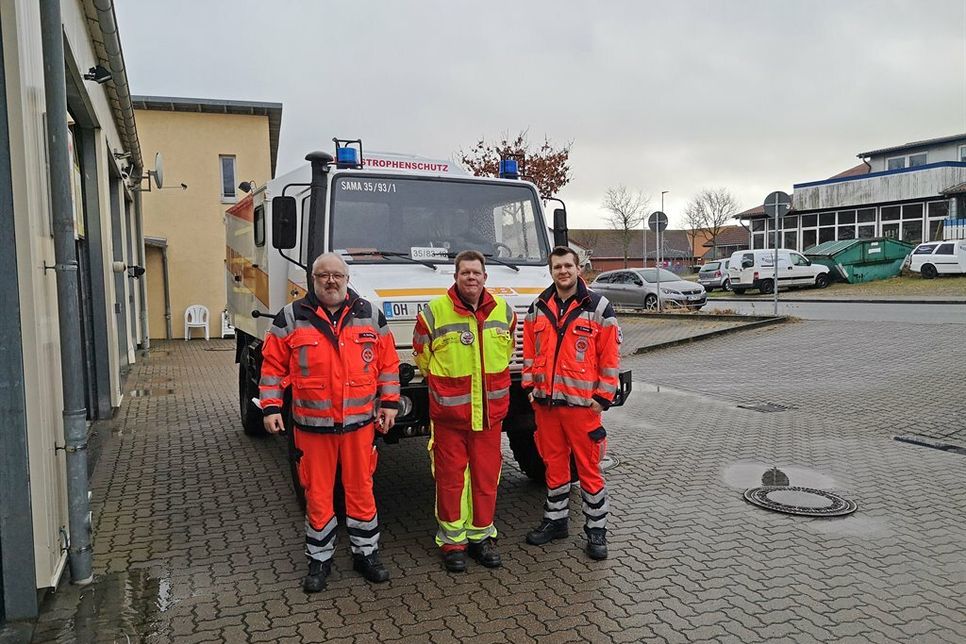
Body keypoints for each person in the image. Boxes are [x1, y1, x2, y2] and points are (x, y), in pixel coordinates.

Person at [260, 253, 400, 592]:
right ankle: (319, 559)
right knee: (318, 495)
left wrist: (390, 404)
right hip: (312, 429)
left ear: (347, 278)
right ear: (313, 279)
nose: (331, 281)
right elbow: (272, 367)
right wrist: (270, 407)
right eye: (324, 275)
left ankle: (366, 554)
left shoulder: (370, 314)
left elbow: (388, 365)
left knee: (361, 491)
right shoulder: (291, 317)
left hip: (359, 427)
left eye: (337, 275)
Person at [412, 250, 516, 572]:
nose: (471, 277)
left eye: (477, 272)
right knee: (450, 479)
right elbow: (422, 355)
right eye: (465, 272)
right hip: (449, 417)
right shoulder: (433, 313)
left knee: (486, 479)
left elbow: (508, 351)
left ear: (486, 277)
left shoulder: (504, 310)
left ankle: (481, 537)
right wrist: (448, 389)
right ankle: (453, 542)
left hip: (489, 416)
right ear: (455, 277)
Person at [521, 246, 621, 560]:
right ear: (550, 271)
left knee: (589, 470)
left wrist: (602, 398)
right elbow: (528, 352)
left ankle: (596, 531)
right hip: (546, 406)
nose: (563, 272)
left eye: (568, 266)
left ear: (579, 268)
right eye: (557, 267)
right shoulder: (538, 306)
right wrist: (528, 386)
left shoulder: (598, 306)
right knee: (554, 466)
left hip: (582, 408)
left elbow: (610, 358)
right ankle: (555, 521)